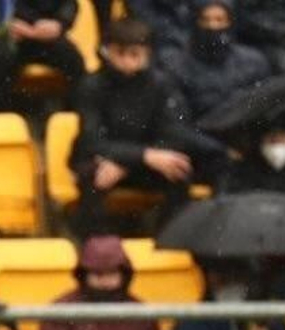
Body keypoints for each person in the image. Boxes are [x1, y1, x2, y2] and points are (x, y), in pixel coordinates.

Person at [69, 18, 224, 235]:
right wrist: (142, 156)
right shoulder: (91, 85)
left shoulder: (162, 84)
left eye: (134, 54)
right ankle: (95, 246)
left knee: (179, 169)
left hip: (142, 161)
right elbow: (91, 141)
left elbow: (175, 133)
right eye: (119, 53)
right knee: (93, 176)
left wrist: (131, 162)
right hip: (107, 159)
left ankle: (170, 240)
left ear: (147, 54)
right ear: (106, 51)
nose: (126, 61)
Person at [33, 234, 172, 330]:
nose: (105, 282)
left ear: (124, 274)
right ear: (84, 275)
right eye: (98, 274)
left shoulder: (141, 314)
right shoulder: (62, 312)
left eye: (111, 274)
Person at [163, 2, 271, 124]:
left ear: (230, 22)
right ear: (196, 22)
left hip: (245, 130)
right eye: (205, 20)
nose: (213, 26)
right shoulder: (176, 66)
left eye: (220, 20)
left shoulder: (253, 61)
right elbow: (180, 117)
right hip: (202, 134)